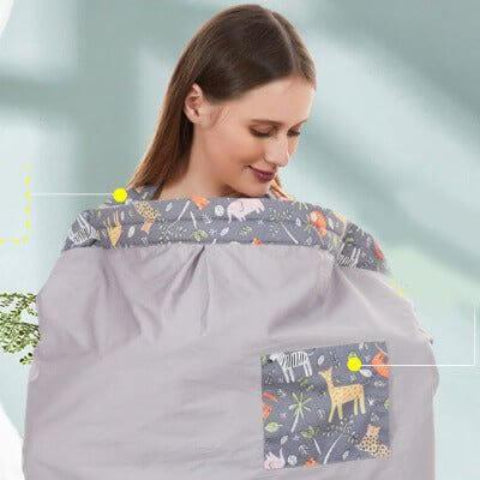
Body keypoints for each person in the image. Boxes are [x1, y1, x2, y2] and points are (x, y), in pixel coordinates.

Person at [124, 3, 314, 203]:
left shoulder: (303, 222)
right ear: (195, 105)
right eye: (262, 130)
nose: (281, 157)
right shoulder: (116, 220)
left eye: (294, 132)